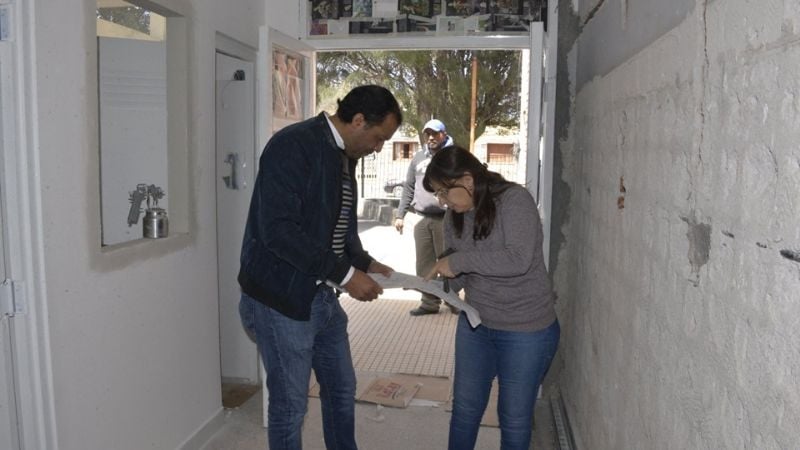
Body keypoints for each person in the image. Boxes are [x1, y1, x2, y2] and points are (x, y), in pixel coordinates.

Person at [237, 85, 402, 449]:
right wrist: (345, 275)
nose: (378, 148)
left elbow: (337, 225)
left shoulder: (345, 155)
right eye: (378, 138)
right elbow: (277, 231)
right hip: (279, 301)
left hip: (321, 297)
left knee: (342, 389)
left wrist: (365, 262)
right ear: (358, 121)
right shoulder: (292, 146)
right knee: (290, 406)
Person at [423, 146, 560, 450]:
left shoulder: (514, 201)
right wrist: (442, 281)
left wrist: (457, 263)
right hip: (476, 325)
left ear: (468, 180)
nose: (442, 201)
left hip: (526, 329)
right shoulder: (453, 216)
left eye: (445, 193)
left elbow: (518, 260)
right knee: (464, 411)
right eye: (438, 195)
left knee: (512, 418)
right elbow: (465, 273)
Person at [394, 118, 456, 316]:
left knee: (449, 262)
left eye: (435, 134)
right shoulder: (419, 157)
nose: (431, 137)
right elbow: (409, 186)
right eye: (427, 134)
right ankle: (429, 303)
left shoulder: (452, 156)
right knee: (424, 264)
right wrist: (400, 214)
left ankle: (453, 300)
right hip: (422, 219)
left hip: (446, 219)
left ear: (443, 134)